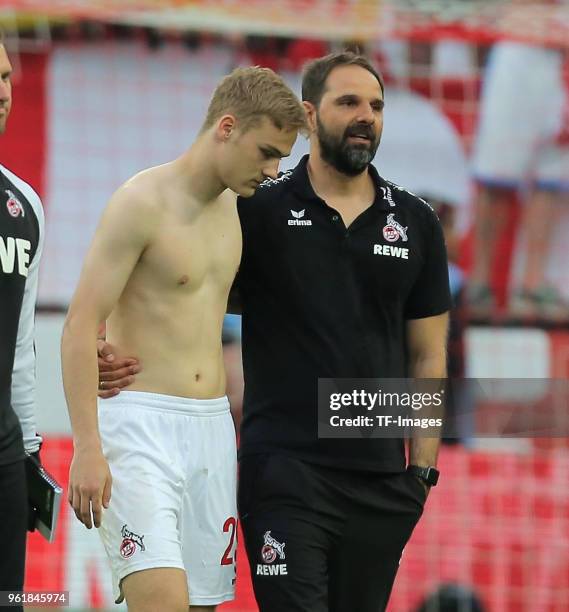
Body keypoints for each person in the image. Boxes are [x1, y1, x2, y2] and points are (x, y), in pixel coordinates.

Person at [97, 52, 450, 611]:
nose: (366, 116)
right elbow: (183, 287)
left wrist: (422, 471)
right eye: (349, 103)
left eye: (377, 105)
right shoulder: (256, 206)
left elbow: (429, 356)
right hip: (284, 470)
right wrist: (106, 340)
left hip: (383, 477)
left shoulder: (416, 221)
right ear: (309, 116)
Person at [61, 66, 305, 612]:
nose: (271, 170)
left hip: (212, 431)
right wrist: (87, 447)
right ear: (226, 127)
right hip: (139, 427)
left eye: (280, 159)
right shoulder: (140, 201)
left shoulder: (240, 213)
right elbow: (80, 324)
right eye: (265, 152)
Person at [469, 41, 569, 322]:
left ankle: (532, 285)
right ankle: (480, 283)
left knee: (551, 173)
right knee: (498, 172)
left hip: (560, 60)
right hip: (521, 49)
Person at [0, 40, 44, 608]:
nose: (1, 91)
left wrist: (31, 450)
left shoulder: (23, 204)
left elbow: (22, 347)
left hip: (4, 454)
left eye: (7, 76)